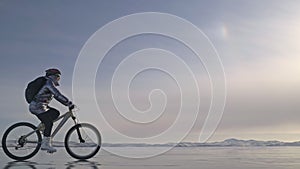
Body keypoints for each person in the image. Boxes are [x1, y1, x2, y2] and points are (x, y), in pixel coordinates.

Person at [29, 68, 74, 153]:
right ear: (53, 76)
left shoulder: (48, 82)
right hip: (37, 107)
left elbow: (56, 96)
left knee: (55, 113)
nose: (58, 79)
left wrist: (66, 103)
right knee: (49, 122)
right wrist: (69, 103)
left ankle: (43, 126)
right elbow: (57, 94)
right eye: (58, 77)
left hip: (41, 106)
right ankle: (45, 144)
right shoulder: (48, 82)